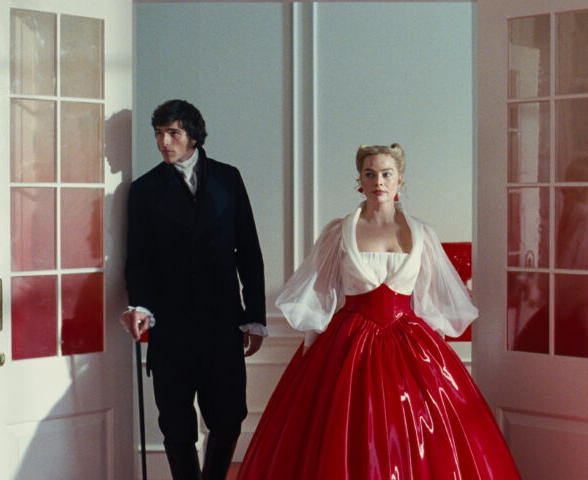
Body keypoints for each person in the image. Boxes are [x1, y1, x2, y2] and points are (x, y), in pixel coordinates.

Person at [237, 144, 521, 479]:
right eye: (369, 174)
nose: (378, 182)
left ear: (400, 179)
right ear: (359, 180)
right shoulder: (338, 232)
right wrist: (310, 346)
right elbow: (319, 289)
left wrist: (438, 357)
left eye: (386, 174)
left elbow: (433, 297)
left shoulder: (423, 234)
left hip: (409, 340)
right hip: (347, 342)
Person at [119, 99, 267, 480]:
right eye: (158, 134)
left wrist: (254, 316)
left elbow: (249, 251)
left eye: (173, 133)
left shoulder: (228, 178)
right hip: (171, 326)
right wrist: (140, 306)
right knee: (176, 424)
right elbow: (138, 259)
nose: (164, 142)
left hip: (222, 322)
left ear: (194, 136)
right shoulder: (145, 189)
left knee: (229, 417)